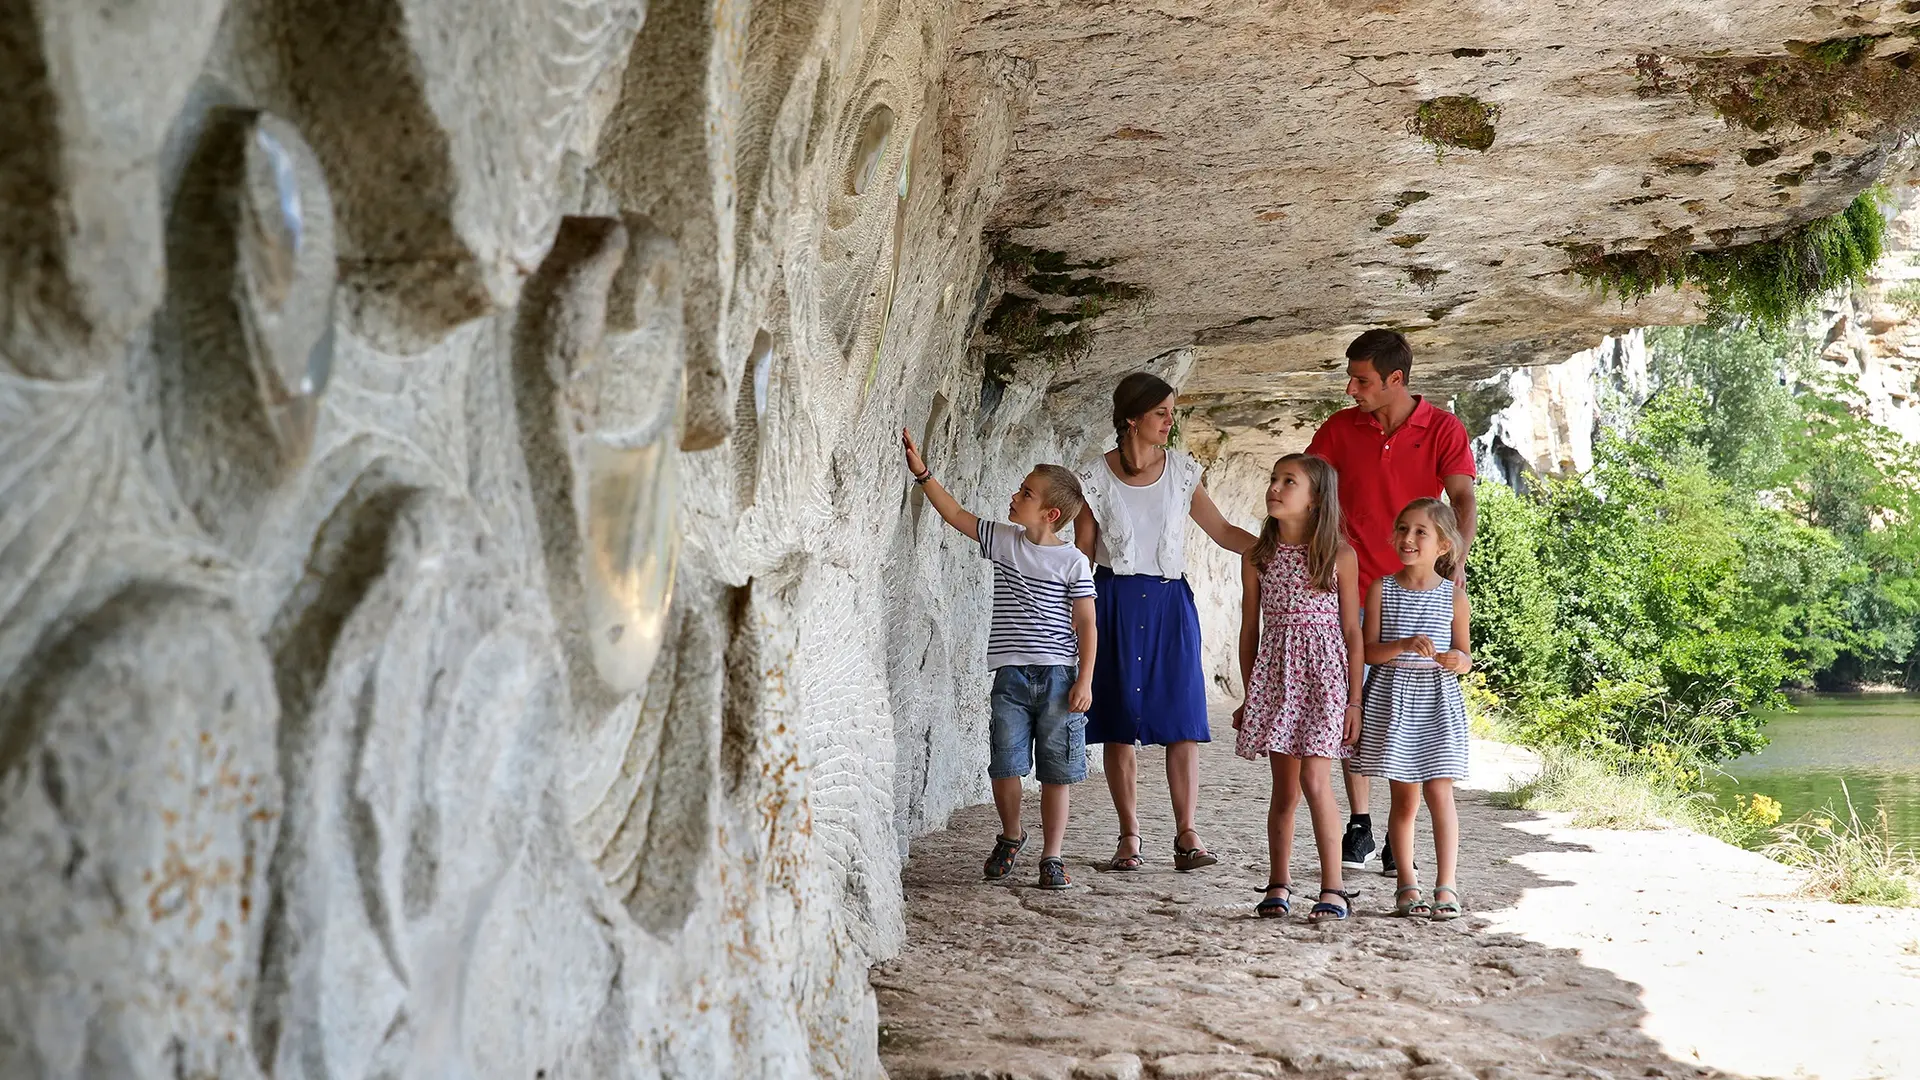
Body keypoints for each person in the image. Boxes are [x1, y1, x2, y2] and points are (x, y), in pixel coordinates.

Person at [1306, 329, 1477, 877]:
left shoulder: (1443, 428)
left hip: (1414, 586)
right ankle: (1360, 821)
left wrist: (1456, 561)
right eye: (1351, 378)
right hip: (1349, 586)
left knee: (1402, 707)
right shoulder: (1337, 428)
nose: (1351, 389)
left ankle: (1396, 841)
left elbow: (1463, 496)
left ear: (1396, 380)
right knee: (1351, 698)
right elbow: (1312, 488)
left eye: (1363, 380)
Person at [1073, 372, 1258, 873]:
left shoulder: (1181, 471)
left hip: (1170, 604)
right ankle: (1129, 837)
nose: (1169, 421)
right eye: (1161, 413)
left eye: (1171, 412)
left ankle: (1187, 834)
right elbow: (1080, 559)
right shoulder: (1092, 477)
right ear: (1132, 417)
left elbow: (1220, 531)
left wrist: (1284, 549)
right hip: (1110, 601)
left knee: (1181, 720)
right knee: (1115, 725)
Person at [902, 427, 1097, 890]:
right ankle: (1012, 835)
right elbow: (957, 516)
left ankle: (1053, 854)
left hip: (1057, 676)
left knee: (1056, 771)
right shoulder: (1005, 540)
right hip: (1010, 675)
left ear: (1050, 513)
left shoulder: (1073, 562)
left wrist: (1084, 680)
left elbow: (1087, 624)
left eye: (1026, 493)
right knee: (1005, 763)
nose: (1015, 495)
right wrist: (923, 473)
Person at [1231, 454, 1364, 921]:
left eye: (1289, 482)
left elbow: (1352, 633)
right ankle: (1278, 884)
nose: (1275, 487)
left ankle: (1333, 887)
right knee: (1283, 789)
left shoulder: (1338, 555)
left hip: (1326, 680)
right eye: (1273, 479)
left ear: (1315, 500)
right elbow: (1250, 630)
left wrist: (1354, 700)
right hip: (1277, 678)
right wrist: (1251, 695)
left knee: (1315, 780)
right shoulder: (1259, 557)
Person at [1354, 498, 1472, 920]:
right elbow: (1368, 651)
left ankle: (1447, 885)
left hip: (1438, 701)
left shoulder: (1455, 597)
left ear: (1443, 545)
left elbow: (1465, 655)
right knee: (1404, 801)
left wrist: (1457, 660)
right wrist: (1403, 645)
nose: (1407, 538)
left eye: (1420, 531)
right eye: (1403, 529)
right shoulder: (1381, 588)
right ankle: (1407, 883)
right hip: (1394, 700)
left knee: (1441, 794)